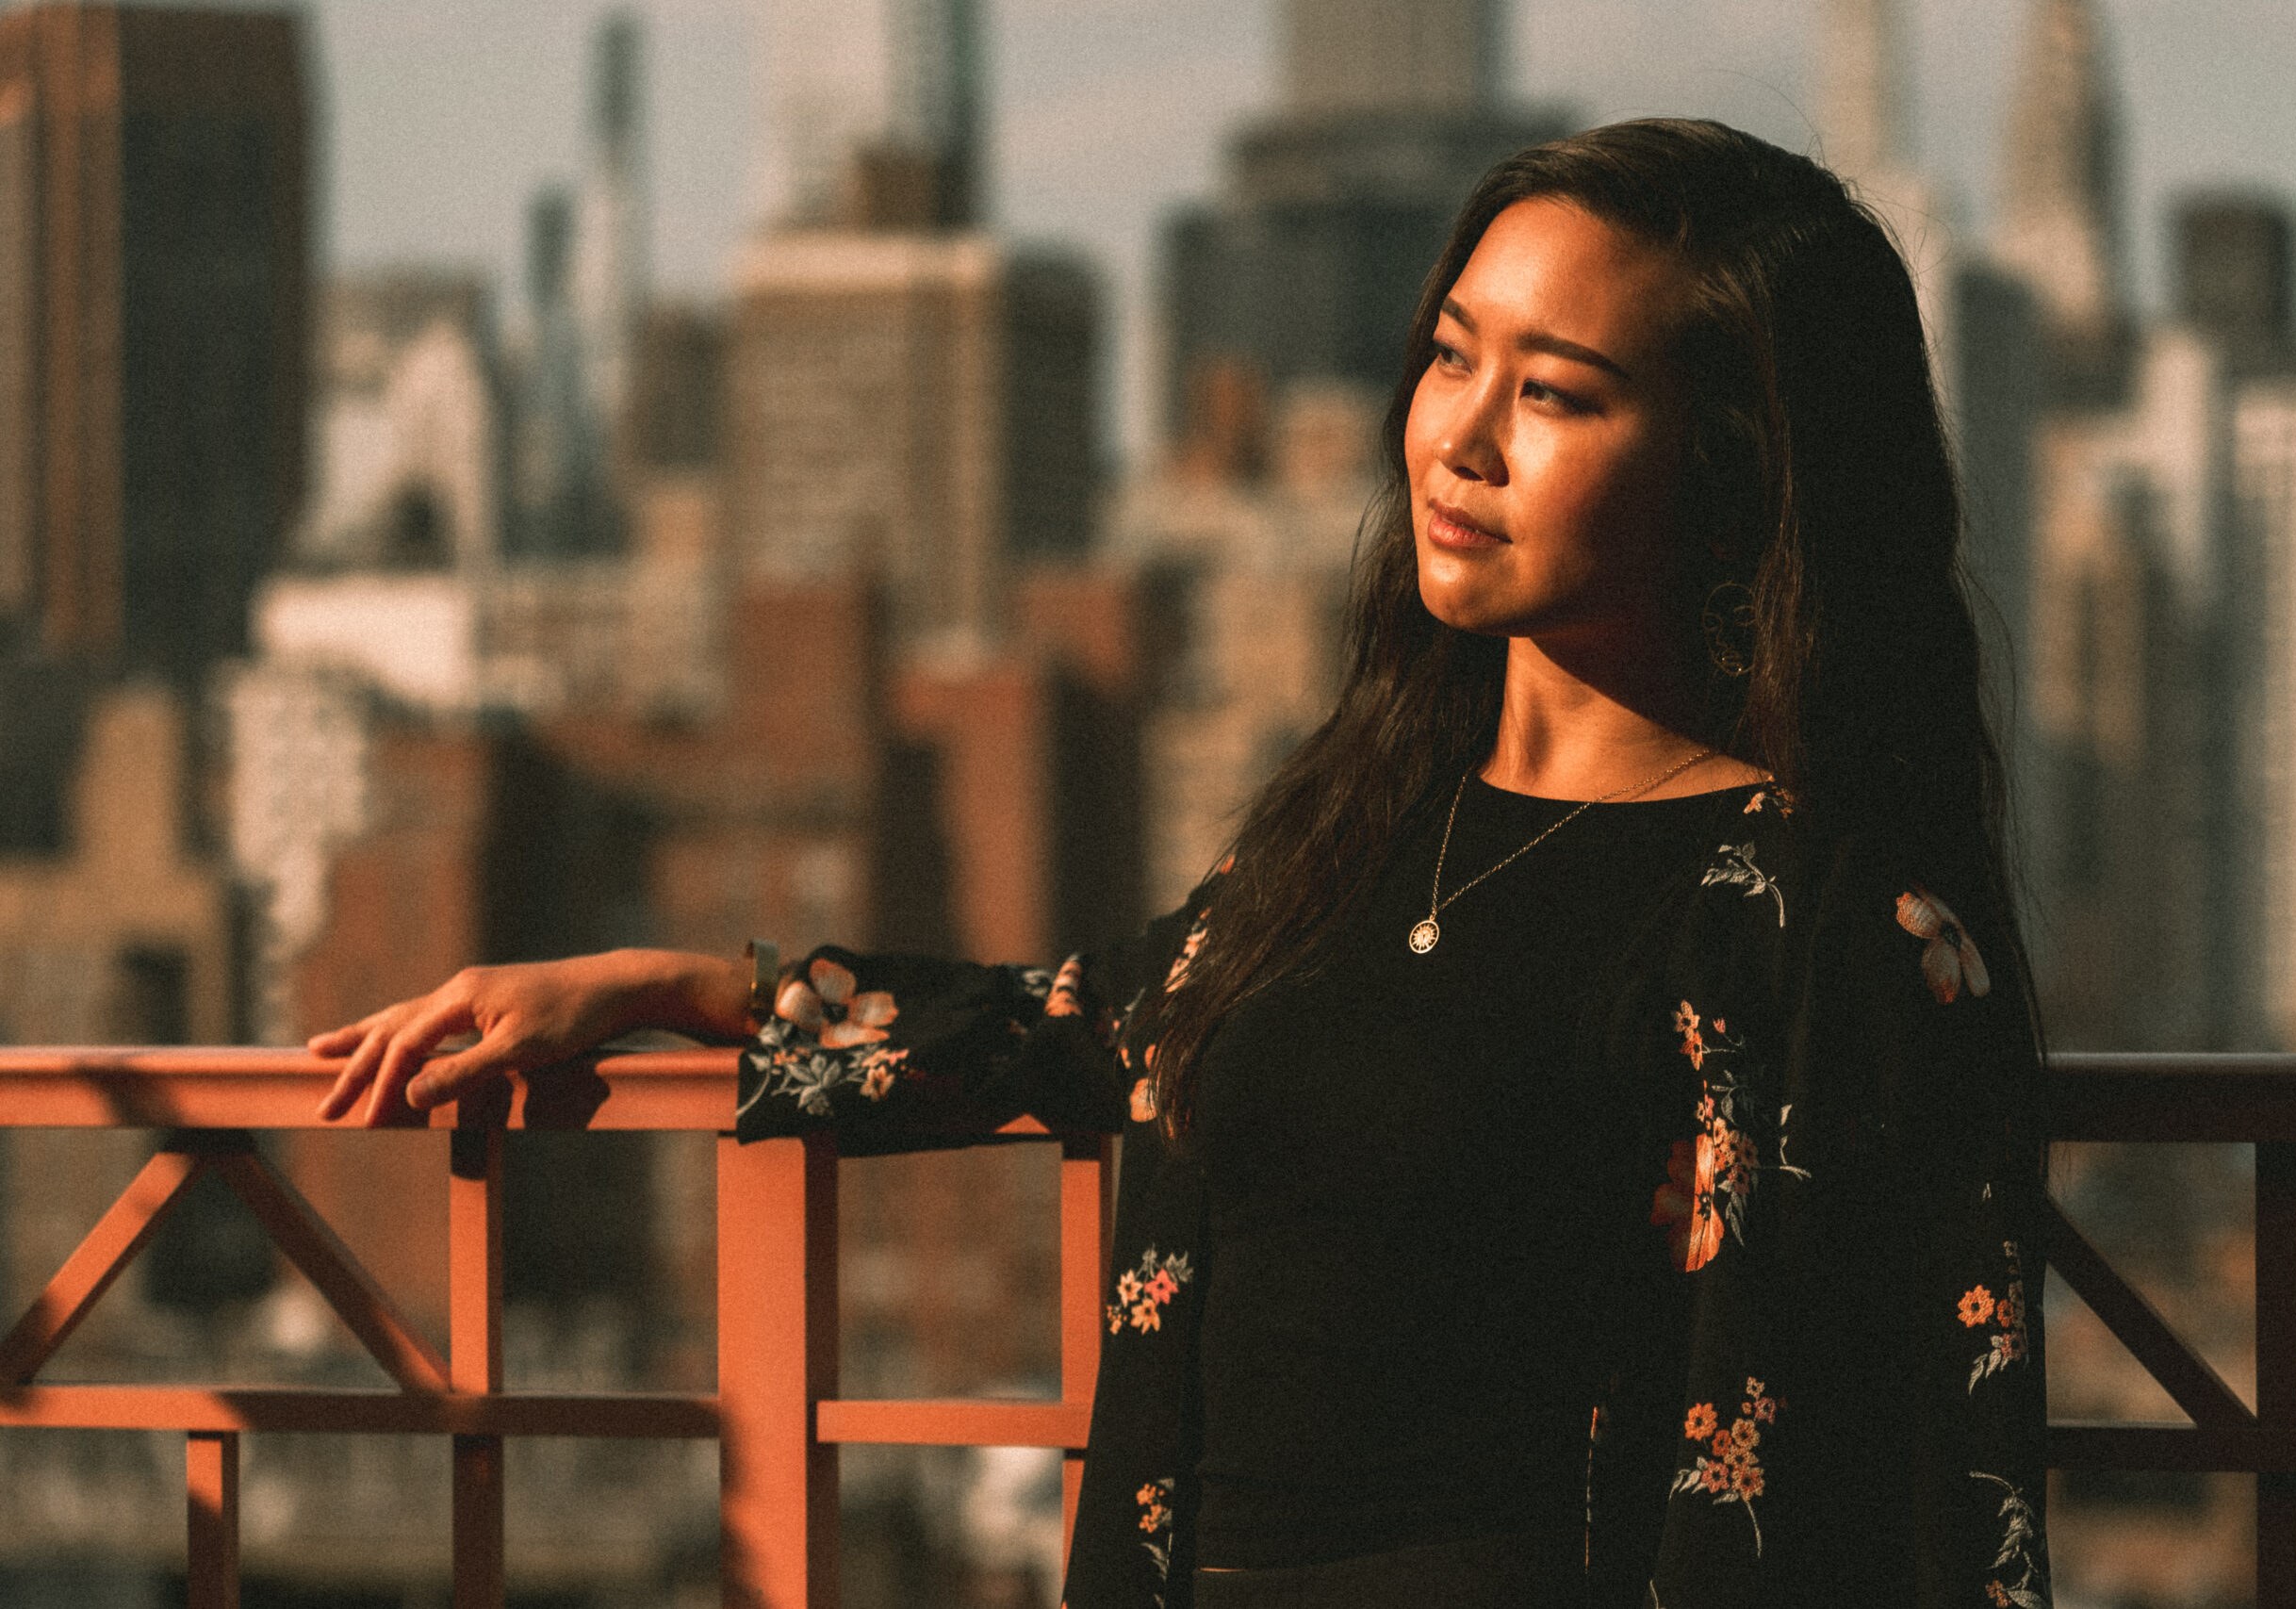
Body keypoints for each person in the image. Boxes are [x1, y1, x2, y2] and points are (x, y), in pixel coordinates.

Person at [316, 120, 2051, 1609]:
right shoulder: (1362, 821)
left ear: (1736, 471)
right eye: (1453, 356)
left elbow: (1935, 1476)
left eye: (1558, 394)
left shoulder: (1824, 917)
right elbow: (1085, 1021)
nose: (1462, 436)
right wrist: (667, 989)